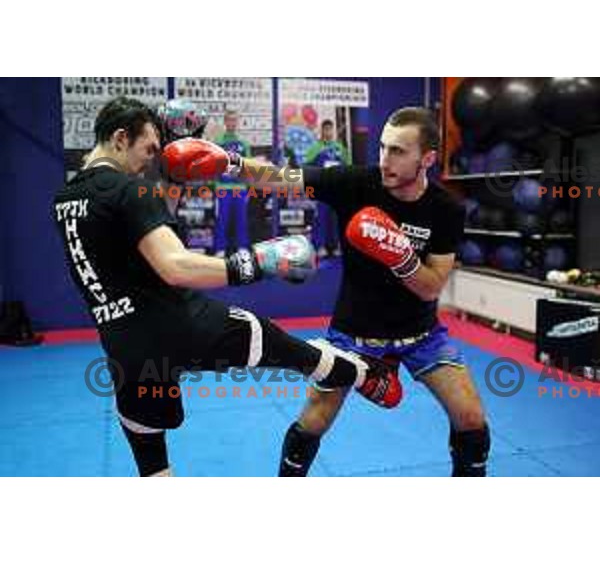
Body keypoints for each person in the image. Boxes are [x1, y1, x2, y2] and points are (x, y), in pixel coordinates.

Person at [52, 96, 401, 477]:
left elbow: (142, 232)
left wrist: (173, 177)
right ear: (120, 138)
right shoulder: (127, 190)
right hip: (178, 324)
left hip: (123, 345)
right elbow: (175, 266)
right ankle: (366, 373)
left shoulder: (67, 198)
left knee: (147, 442)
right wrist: (260, 262)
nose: (149, 159)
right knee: (268, 339)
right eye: (149, 149)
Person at [227, 106, 491, 477]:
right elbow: (281, 178)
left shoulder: (445, 209)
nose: (385, 160)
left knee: (471, 418)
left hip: (421, 335)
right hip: (353, 335)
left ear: (427, 158)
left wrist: (398, 253)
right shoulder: (354, 183)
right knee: (314, 420)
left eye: (398, 151)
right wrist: (229, 162)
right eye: (383, 148)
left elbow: (431, 287)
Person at [304, 119, 350, 258]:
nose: (329, 132)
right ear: (322, 131)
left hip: (336, 190)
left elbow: (347, 168)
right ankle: (320, 247)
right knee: (321, 219)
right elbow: (307, 167)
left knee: (336, 219)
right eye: (326, 129)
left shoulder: (340, 148)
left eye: (331, 129)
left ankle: (337, 246)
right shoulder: (314, 148)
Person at [212, 109, 253, 256]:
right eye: (229, 120)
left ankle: (242, 247)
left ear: (237, 122)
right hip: (223, 188)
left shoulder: (244, 143)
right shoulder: (218, 142)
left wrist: (247, 189)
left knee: (241, 220)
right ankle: (220, 249)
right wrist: (216, 187)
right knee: (221, 220)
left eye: (234, 120)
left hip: (240, 188)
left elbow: (248, 168)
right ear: (225, 122)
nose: (232, 123)